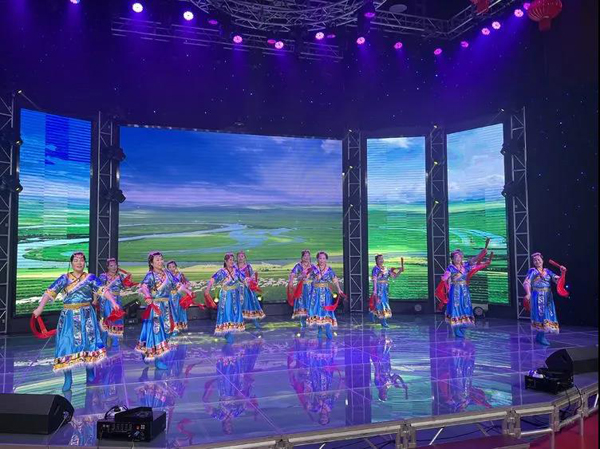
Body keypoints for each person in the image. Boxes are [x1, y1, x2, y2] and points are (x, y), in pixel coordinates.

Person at [32, 252, 119, 391]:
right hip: (68, 317)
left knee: (89, 343)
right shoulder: (64, 278)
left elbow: (103, 290)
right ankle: (68, 378)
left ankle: (90, 371)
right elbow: (49, 293)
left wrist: (113, 302)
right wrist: (40, 308)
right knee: (65, 344)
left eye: (82, 260)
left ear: (85, 263)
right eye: (76, 260)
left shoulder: (90, 278)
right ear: (71, 263)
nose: (79, 263)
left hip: (87, 315)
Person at [136, 251, 187, 369]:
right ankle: (158, 360)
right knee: (157, 331)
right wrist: (147, 296)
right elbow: (144, 286)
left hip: (167, 307)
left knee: (168, 332)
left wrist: (188, 292)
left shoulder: (168, 274)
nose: (160, 262)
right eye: (157, 260)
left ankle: (146, 350)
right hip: (156, 307)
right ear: (151, 263)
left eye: (161, 259)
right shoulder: (150, 275)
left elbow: (178, 285)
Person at [441, 246, 491, 339]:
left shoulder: (465, 266)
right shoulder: (450, 267)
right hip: (455, 291)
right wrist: (445, 277)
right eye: (456, 257)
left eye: (459, 257)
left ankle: (463, 326)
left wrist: (482, 253)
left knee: (465, 306)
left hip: (464, 291)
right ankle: (457, 329)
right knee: (456, 308)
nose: (458, 259)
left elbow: (474, 260)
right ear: (452, 259)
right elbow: (446, 275)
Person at [523, 252, 567, 346]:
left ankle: (540, 336)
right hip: (537, 296)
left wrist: (563, 272)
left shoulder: (547, 271)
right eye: (535, 260)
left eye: (539, 259)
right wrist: (528, 293)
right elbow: (526, 282)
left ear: (542, 261)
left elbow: (558, 280)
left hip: (548, 296)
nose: (537, 261)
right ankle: (541, 336)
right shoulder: (532, 271)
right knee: (541, 315)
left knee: (548, 315)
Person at [205, 253, 247, 343]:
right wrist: (207, 290)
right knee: (227, 313)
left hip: (235, 295)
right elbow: (212, 280)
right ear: (225, 261)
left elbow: (243, 279)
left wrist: (249, 283)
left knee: (235, 313)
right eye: (230, 260)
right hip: (226, 296)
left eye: (233, 260)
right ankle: (228, 334)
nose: (232, 262)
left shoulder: (236, 270)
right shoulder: (222, 272)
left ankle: (230, 333)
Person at [98, 258, 135, 349]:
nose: (114, 267)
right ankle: (104, 342)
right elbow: (99, 289)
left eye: (115, 265)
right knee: (108, 319)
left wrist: (128, 278)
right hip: (107, 300)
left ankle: (115, 343)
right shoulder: (103, 276)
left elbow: (125, 287)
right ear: (107, 267)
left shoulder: (120, 276)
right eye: (111, 266)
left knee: (117, 320)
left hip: (118, 300)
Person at [307, 251, 344, 340]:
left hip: (326, 293)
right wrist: (315, 279)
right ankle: (319, 330)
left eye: (324, 258)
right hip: (316, 293)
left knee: (327, 310)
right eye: (320, 258)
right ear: (317, 259)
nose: (322, 260)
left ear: (326, 259)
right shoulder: (314, 269)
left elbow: (335, 280)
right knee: (318, 311)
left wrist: (339, 289)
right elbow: (307, 278)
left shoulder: (329, 270)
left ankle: (327, 330)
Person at [370, 255, 403, 327]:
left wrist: (400, 271)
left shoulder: (386, 268)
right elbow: (374, 280)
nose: (381, 260)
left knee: (382, 303)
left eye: (382, 259)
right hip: (379, 289)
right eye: (379, 259)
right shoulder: (375, 269)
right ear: (376, 260)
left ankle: (371, 313)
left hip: (385, 289)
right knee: (381, 304)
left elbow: (394, 276)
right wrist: (375, 290)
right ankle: (383, 321)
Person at [236, 251, 266, 329]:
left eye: (242, 256)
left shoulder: (248, 267)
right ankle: (239, 323)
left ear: (245, 258)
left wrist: (249, 280)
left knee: (251, 305)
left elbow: (252, 277)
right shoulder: (234, 267)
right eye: (239, 256)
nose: (240, 258)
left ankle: (255, 322)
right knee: (238, 306)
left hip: (247, 289)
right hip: (237, 290)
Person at [288, 250, 316, 329]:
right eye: (305, 256)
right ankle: (302, 321)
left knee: (311, 303)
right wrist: (291, 281)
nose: (306, 257)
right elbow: (293, 274)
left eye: (308, 256)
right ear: (302, 257)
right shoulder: (298, 266)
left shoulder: (312, 266)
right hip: (301, 287)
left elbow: (317, 275)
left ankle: (311, 320)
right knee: (301, 303)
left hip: (311, 287)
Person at [166, 260, 191, 335]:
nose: (172, 268)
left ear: (176, 267)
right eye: (170, 267)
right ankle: (173, 327)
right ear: (167, 268)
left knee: (180, 311)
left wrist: (184, 287)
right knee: (171, 312)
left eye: (173, 267)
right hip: (170, 296)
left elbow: (187, 283)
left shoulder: (180, 275)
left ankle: (180, 326)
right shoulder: (166, 276)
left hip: (178, 296)